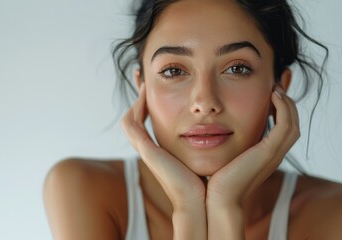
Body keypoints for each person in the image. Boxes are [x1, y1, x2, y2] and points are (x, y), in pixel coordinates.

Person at [43, 0, 342, 239]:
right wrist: (188, 209)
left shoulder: (332, 213)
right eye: (174, 71)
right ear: (142, 86)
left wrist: (226, 206)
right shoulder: (84, 189)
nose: (204, 102)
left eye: (237, 69)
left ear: (279, 86)